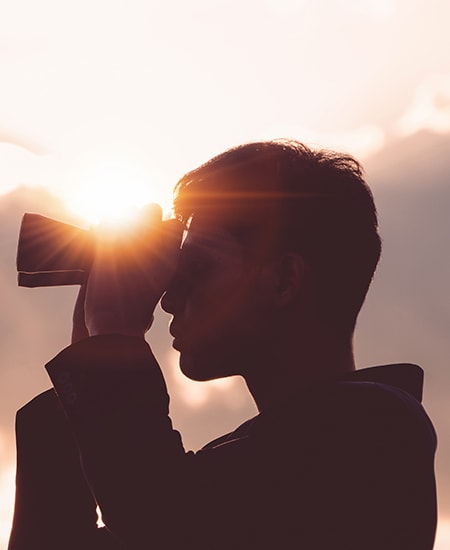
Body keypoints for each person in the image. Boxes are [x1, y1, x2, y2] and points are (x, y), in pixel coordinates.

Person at [9, 140, 437, 549]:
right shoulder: (247, 467)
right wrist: (89, 356)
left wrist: (113, 337)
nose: (170, 298)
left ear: (285, 279)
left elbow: (163, 522)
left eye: (195, 270)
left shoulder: (378, 434)